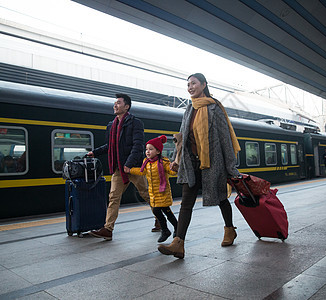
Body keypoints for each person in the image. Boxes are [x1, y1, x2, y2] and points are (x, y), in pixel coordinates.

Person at [157, 73, 241, 259]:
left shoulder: (214, 108)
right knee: (186, 204)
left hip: (212, 163)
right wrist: (176, 159)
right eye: (188, 84)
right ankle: (178, 243)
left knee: (220, 198)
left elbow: (225, 139)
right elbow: (181, 137)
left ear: (203, 85)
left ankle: (229, 230)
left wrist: (230, 167)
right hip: (191, 162)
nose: (190, 87)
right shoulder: (189, 109)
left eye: (194, 83)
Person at [87, 93, 152, 241]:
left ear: (127, 106)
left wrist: (129, 164)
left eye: (118, 103)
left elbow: (138, 146)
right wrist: (95, 152)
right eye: (114, 103)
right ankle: (108, 229)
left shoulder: (135, 123)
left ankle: (160, 219)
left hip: (134, 167)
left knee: (146, 194)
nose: (115, 105)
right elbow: (110, 146)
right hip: (119, 168)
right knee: (113, 197)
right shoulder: (111, 125)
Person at [127, 135, 178, 243]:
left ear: (158, 151)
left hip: (163, 192)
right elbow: (142, 172)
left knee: (157, 210)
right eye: (146, 149)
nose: (148, 151)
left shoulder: (164, 162)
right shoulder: (147, 162)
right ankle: (175, 227)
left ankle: (166, 230)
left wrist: (175, 169)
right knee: (166, 212)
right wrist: (130, 170)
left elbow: (171, 171)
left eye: (151, 149)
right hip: (154, 193)